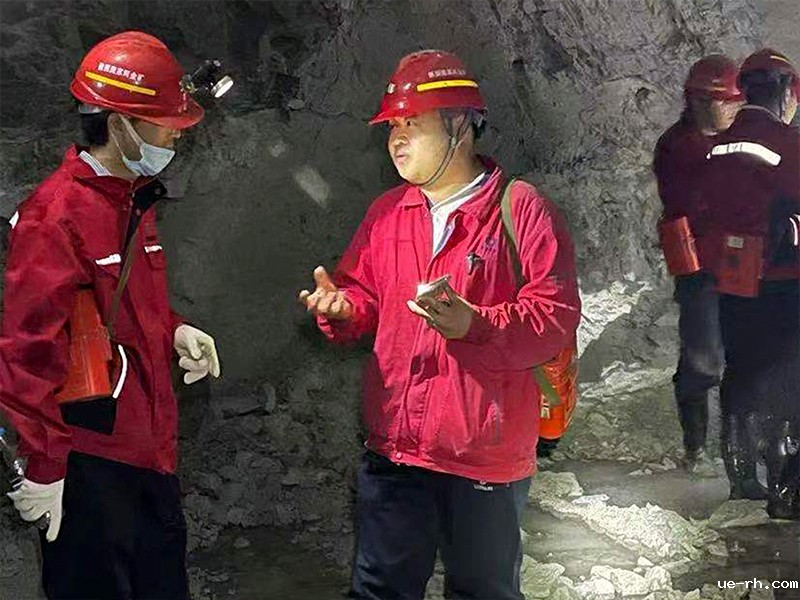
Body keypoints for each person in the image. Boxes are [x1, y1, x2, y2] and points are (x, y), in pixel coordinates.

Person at [299, 49, 580, 599]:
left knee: (482, 590)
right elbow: (365, 294)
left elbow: (555, 317)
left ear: (459, 125)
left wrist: (476, 324)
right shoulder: (388, 213)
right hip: (396, 448)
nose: (397, 139)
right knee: (379, 588)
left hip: (484, 454)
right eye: (392, 127)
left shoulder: (522, 210)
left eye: (412, 123)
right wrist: (344, 308)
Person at [0, 31, 221, 598]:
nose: (177, 132)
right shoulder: (54, 217)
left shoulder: (131, 198)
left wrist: (175, 331)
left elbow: (121, 307)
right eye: (165, 122)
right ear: (120, 123)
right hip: (89, 462)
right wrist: (45, 467)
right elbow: (28, 351)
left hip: (149, 451)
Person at [701, 48, 799, 517]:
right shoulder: (789, 144)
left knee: (741, 373)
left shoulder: (718, 146)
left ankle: (741, 478)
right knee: (790, 384)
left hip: (732, 284)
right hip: (785, 282)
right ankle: (788, 492)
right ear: (783, 90)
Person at [652, 55, 743, 474]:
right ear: (700, 101)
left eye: (736, 101)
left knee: (745, 356)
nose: (732, 108)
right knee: (703, 360)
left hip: (741, 264)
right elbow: (696, 201)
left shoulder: (736, 138)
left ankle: (737, 448)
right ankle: (697, 448)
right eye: (725, 101)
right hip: (700, 269)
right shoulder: (678, 146)